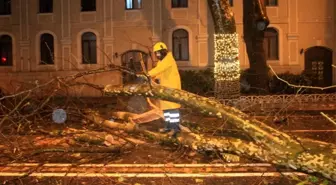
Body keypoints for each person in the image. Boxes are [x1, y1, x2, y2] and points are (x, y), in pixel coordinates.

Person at [139, 42, 182, 137]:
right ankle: (168, 127)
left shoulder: (168, 59)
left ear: (163, 52)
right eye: (156, 53)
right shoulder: (161, 62)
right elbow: (160, 72)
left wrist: (147, 74)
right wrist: (153, 77)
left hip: (172, 88)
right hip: (165, 88)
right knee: (166, 109)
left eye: (158, 53)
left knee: (173, 109)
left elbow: (159, 69)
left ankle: (175, 129)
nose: (157, 55)